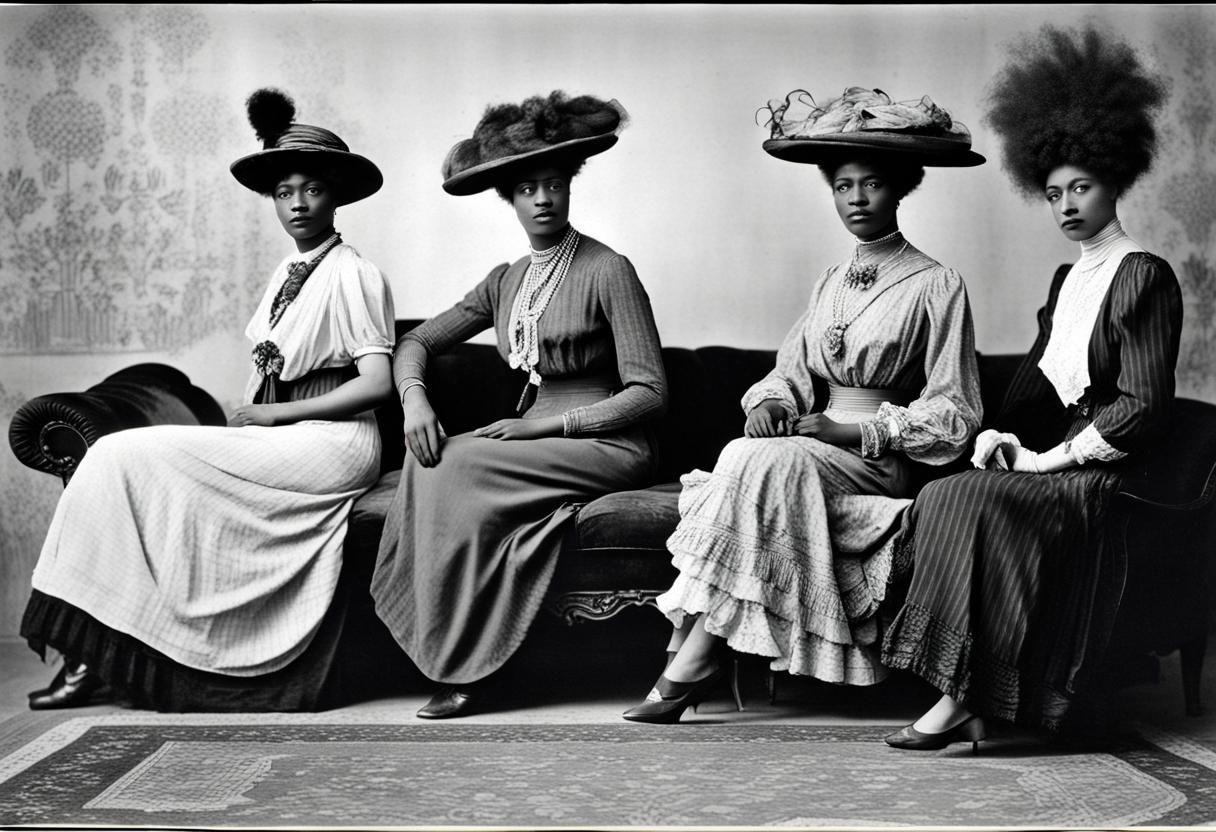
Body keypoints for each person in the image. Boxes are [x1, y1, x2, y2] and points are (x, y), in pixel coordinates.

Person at [21, 88, 396, 711]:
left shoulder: (354, 273)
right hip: (281, 437)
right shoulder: (286, 274)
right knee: (118, 463)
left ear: (337, 195)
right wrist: (256, 422)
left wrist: (275, 414)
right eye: (284, 193)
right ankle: (93, 650)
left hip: (333, 442)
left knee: (119, 456)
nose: (298, 204)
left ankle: (91, 656)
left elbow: (378, 384)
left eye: (312, 190)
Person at [622, 87, 985, 724]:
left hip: (878, 455)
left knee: (760, 464)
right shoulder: (829, 281)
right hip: (814, 450)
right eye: (843, 187)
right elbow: (790, 372)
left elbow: (956, 411)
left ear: (900, 190)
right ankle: (701, 652)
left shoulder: (937, 283)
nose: (857, 200)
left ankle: (693, 651)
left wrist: (850, 431)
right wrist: (768, 403)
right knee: (749, 450)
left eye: (872, 184)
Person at [880, 25, 1183, 751]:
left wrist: (1049, 462)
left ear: (1115, 181)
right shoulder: (1067, 279)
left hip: (1109, 474)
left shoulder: (1143, 274)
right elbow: (1034, 389)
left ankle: (966, 699)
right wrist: (999, 433)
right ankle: (966, 690)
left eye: (1082, 188)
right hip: (1061, 458)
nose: (1068, 205)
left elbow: (1141, 407)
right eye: (1053, 194)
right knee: (948, 490)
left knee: (984, 501)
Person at [371, 91, 667, 719]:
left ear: (569, 188)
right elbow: (415, 341)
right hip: (534, 437)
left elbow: (649, 393)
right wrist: (414, 399)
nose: (543, 198)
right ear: (508, 198)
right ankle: (454, 651)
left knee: (457, 465)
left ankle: (473, 668)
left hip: (604, 441)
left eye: (554, 183)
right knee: (434, 458)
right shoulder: (506, 280)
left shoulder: (608, 269)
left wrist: (549, 426)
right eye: (528, 187)